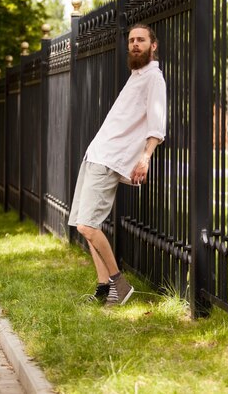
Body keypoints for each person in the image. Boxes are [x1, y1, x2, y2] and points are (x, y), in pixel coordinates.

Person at [68, 24, 167, 306]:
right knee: (83, 224)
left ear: (153, 45)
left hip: (111, 158)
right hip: (96, 154)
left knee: (88, 225)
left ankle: (119, 284)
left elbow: (157, 125)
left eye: (141, 40)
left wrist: (145, 157)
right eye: (132, 40)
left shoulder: (153, 79)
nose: (135, 44)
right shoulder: (136, 75)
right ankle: (103, 287)